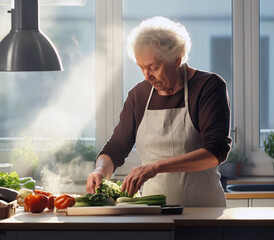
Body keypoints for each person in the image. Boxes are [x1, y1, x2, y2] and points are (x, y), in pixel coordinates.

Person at [86, 16, 232, 207]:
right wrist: (100, 170)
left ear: (177, 59)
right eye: (141, 68)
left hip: (203, 210)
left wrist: (155, 167)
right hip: (153, 212)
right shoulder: (139, 95)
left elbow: (215, 152)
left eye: (153, 67)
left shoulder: (208, 87)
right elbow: (116, 147)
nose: (147, 76)